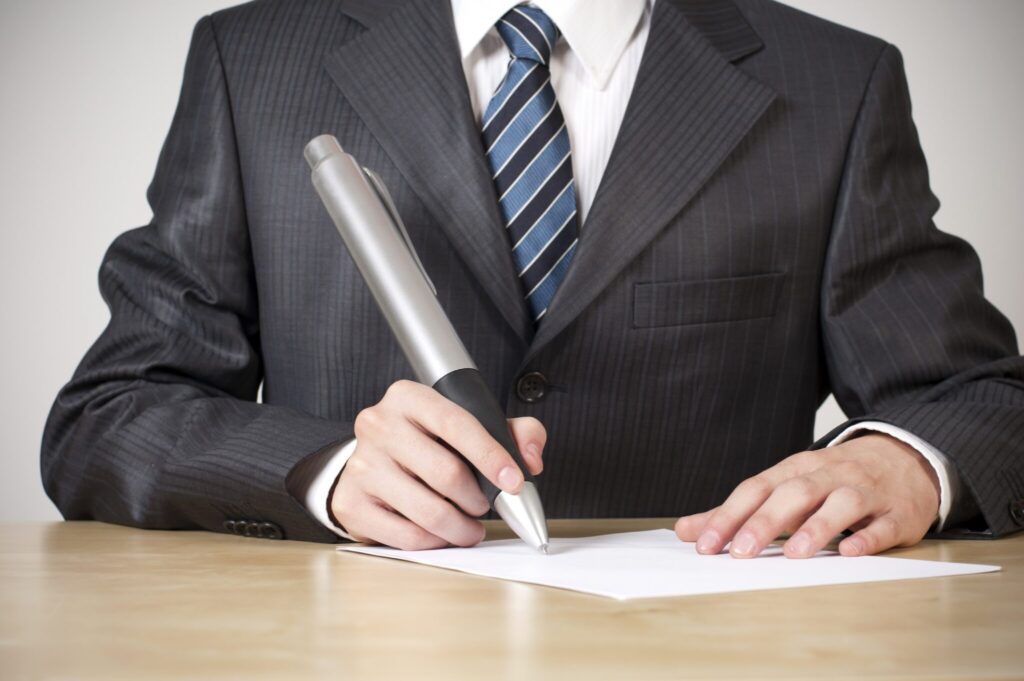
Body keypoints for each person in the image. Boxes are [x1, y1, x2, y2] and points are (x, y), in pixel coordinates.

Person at [41, 0, 1024, 558]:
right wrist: (323, 473)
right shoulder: (251, 58)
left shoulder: (835, 83)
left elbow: (983, 401)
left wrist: (908, 462)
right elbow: (107, 416)